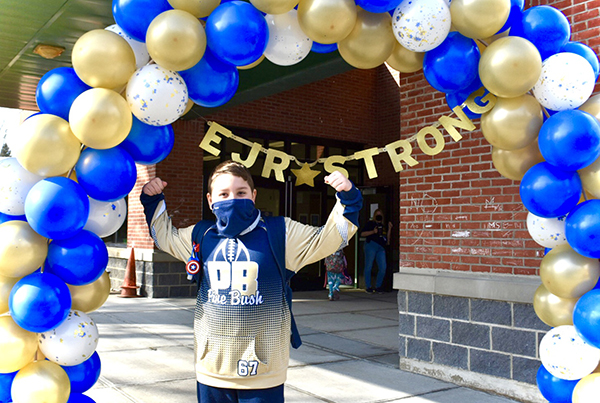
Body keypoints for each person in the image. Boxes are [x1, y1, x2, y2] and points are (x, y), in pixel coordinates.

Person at [140, 160, 362, 403]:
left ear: (254, 196)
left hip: (263, 372)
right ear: (210, 200)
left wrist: (348, 197)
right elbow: (165, 238)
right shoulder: (201, 235)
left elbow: (328, 240)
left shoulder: (280, 233)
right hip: (212, 371)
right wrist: (153, 200)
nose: (232, 199)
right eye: (223, 194)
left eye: (241, 192)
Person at [360, 208, 392, 294]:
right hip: (371, 245)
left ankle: (378, 286)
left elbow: (387, 241)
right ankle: (368, 286)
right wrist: (373, 232)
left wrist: (389, 229)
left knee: (383, 267)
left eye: (380, 215)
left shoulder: (384, 226)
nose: (379, 217)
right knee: (369, 266)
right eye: (377, 215)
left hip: (381, 247)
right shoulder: (371, 224)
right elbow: (362, 233)